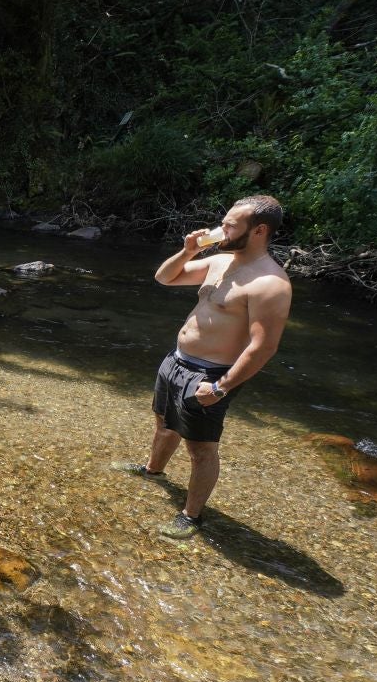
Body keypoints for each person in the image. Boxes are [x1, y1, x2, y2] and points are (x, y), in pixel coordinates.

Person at [114, 195, 293, 538]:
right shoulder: (220, 261)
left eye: (231, 225)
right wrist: (188, 252)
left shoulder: (270, 284)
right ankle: (153, 470)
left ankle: (191, 516)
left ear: (259, 231)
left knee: (200, 448)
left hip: (210, 375)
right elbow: (165, 278)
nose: (221, 229)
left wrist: (220, 387)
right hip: (177, 359)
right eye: (223, 222)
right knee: (164, 422)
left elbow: (263, 347)